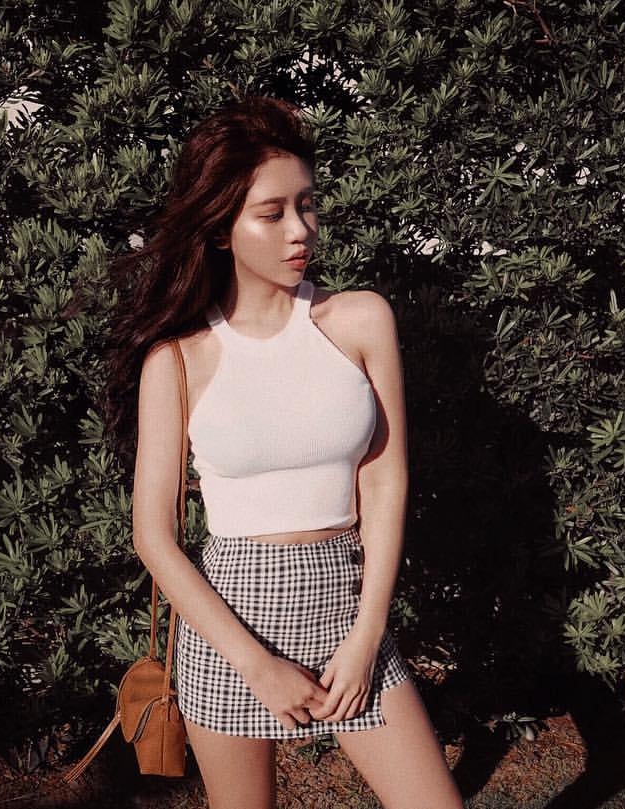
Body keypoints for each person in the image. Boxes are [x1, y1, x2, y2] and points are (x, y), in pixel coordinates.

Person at [107, 96, 464, 809]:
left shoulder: (359, 319)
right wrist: (257, 665)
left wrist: (367, 635)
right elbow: (154, 535)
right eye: (271, 214)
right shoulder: (178, 361)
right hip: (230, 629)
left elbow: (385, 481)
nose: (301, 229)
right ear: (221, 229)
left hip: (346, 607)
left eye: (307, 205)